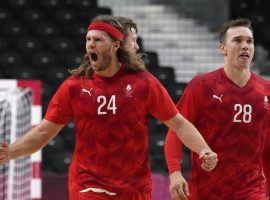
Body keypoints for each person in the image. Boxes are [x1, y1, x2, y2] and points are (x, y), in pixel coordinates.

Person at [0, 15, 218, 200]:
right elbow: (43, 132)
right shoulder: (74, 86)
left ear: (115, 45)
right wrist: (11, 153)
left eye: (98, 40)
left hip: (134, 186)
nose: (91, 45)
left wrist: (203, 149)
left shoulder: (144, 83)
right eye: (88, 39)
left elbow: (178, 124)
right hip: (88, 182)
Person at [165, 17, 270, 200]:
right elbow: (176, 131)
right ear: (223, 48)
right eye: (237, 40)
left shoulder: (266, 91)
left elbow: (267, 146)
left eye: (249, 41)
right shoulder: (202, 86)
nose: (245, 46)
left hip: (251, 191)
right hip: (205, 191)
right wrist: (175, 173)